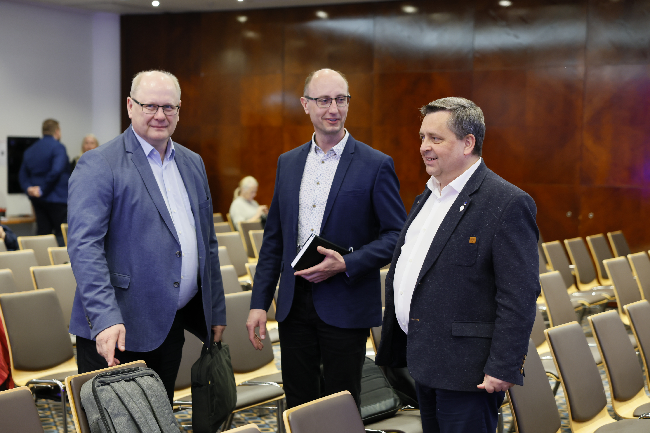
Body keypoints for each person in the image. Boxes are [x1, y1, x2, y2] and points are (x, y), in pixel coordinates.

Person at [375, 97, 540, 433]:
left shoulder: (507, 202)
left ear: (468, 143)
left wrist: (504, 365)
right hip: (423, 361)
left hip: (469, 372)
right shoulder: (428, 197)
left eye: (436, 138)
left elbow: (519, 295)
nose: (424, 147)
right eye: (422, 137)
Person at [246, 68, 406, 409]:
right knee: (299, 402)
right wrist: (259, 303)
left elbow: (397, 236)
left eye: (340, 100)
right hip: (293, 304)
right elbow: (273, 240)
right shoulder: (288, 163)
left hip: (345, 301)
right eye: (323, 100)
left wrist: (347, 262)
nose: (333, 109)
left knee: (341, 405)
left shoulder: (375, 164)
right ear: (306, 105)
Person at [67, 70, 226, 402]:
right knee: (118, 423)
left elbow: (206, 243)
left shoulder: (192, 162)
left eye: (169, 107)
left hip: (170, 325)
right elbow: (85, 248)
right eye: (150, 106)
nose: (160, 115)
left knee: (160, 417)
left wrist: (215, 310)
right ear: (130, 106)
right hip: (118, 329)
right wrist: (105, 318)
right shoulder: (99, 164)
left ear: (179, 110)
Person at [18, 119, 69, 246]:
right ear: (57, 131)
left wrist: (29, 189)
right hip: (57, 199)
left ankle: (42, 259)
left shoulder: (30, 150)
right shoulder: (58, 147)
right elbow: (56, 170)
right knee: (62, 235)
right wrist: (42, 189)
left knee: (43, 234)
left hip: (38, 200)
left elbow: (22, 175)